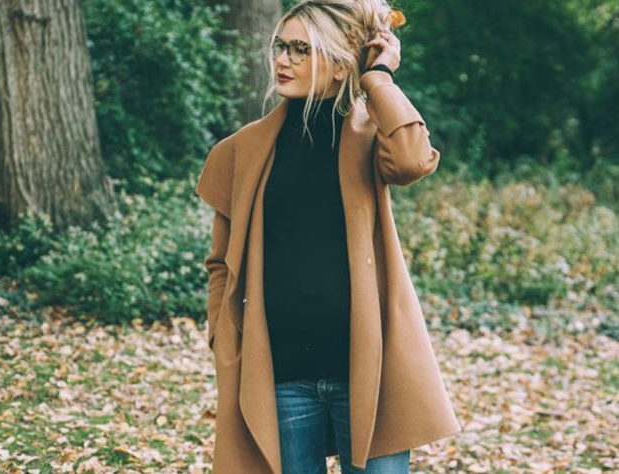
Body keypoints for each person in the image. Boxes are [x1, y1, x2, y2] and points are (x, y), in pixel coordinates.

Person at [196, 0, 460, 472]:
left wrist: (378, 78)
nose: (283, 60)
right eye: (281, 46)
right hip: (282, 376)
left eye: (302, 49)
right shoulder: (241, 151)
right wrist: (225, 337)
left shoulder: (370, 136)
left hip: (369, 369)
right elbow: (221, 263)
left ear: (340, 66)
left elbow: (413, 160)